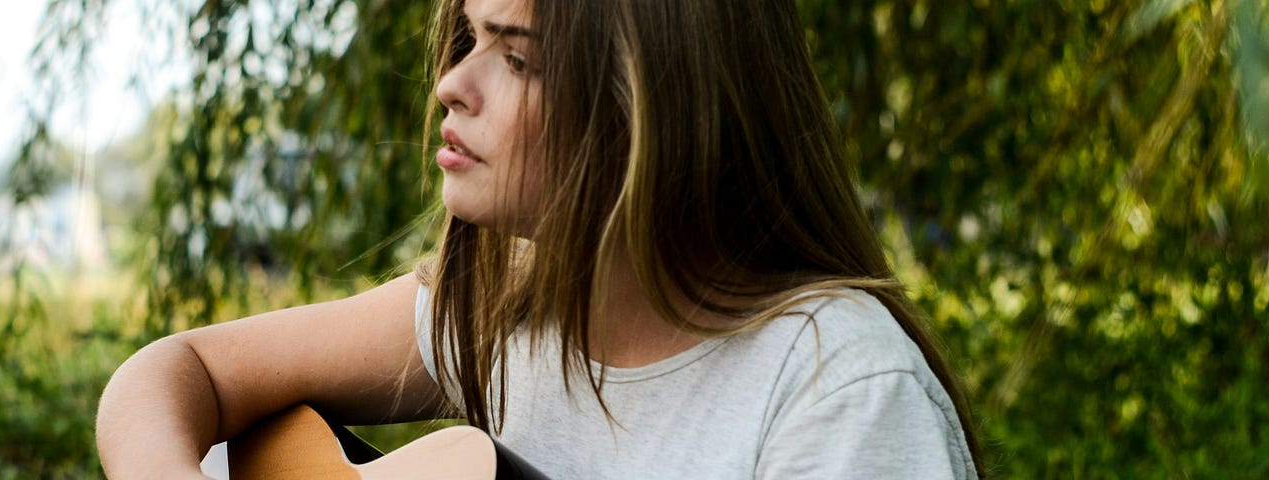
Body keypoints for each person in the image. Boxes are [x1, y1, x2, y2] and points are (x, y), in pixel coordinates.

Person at [96, 0, 982, 477]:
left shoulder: (842, 393)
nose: (450, 82)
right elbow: (178, 373)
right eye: (468, 37)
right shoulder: (502, 310)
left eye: (516, 58)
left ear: (656, 107)